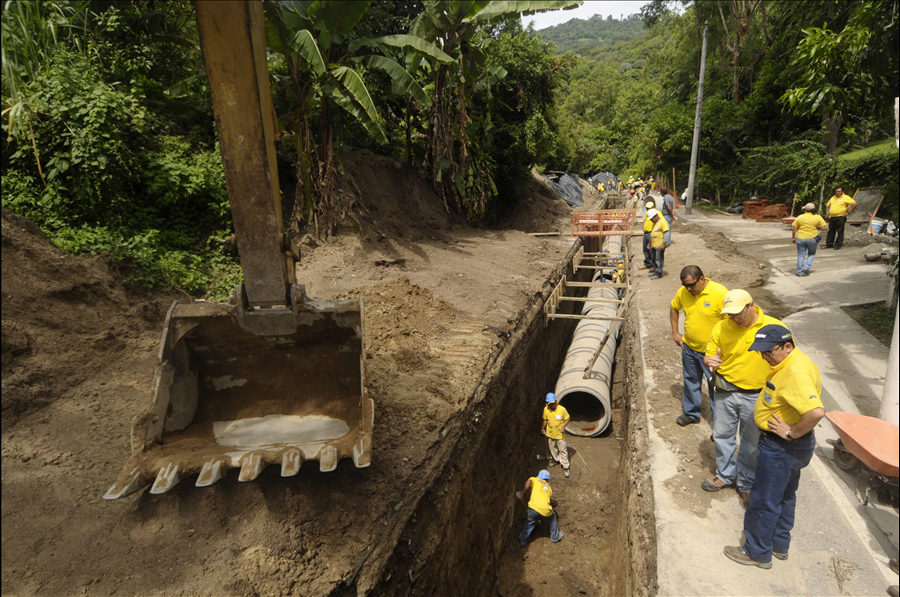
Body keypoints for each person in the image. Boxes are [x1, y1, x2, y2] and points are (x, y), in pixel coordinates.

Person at [724, 324, 825, 568]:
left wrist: (791, 432)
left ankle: (756, 552)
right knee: (785, 495)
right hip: (791, 448)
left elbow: (816, 412)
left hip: (782, 447)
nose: (764, 357)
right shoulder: (790, 363)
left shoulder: (795, 372)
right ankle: (780, 544)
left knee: (764, 498)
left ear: (787, 346)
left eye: (768, 352)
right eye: (761, 353)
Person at [703, 290, 784, 504]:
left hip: (757, 395)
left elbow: (788, 360)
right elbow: (709, 354)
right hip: (726, 390)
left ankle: (746, 483)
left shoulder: (773, 327)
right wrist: (710, 361)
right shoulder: (721, 326)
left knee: (750, 444)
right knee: (722, 435)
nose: (735, 318)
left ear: (751, 306)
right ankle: (725, 475)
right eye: (730, 314)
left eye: (739, 313)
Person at [670, 266, 728, 426]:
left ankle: (719, 426)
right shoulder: (683, 293)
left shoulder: (720, 293)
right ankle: (691, 413)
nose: (688, 289)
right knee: (690, 380)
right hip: (689, 348)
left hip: (711, 354)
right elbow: (674, 308)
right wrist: (675, 332)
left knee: (715, 388)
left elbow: (731, 324)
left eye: (692, 285)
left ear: (701, 279)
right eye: (685, 286)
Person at [519, 470, 564, 546]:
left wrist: (521, 492)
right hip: (546, 510)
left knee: (529, 523)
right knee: (552, 518)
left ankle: (523, 540)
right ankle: (555, 537)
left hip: (533, 508)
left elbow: (529, 482)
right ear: (547, 480)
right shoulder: (549, 488)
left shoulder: (534, 479)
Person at [791, 203, 827, 276]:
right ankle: (807, 267)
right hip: (812, 238)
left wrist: (793, 238)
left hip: (800, 238)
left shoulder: (800, 217)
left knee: (801, 255)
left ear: (806, 210)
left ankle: (799, 272)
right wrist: (815, 227)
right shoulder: (818, 217)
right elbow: (823, 228)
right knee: (811, 253)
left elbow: (794, 229)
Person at [542, 393, 570, 478]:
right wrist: (542, 428)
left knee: (563, 449)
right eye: (550, 404)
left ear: (556, 402)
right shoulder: (546, 409)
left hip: (560, 434)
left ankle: (565, 466)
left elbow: (568, 418)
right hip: (550, 433)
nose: (552, 405)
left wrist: (563, 427)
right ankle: (555, 459)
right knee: (552, 448)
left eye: (553, 403)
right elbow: (545, 420)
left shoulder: (562, 409)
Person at [647, 210, 669, 280]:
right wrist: (649, 243)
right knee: (653, 259)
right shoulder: (655, 223)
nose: (651, 220)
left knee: (658, 259)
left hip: (659, 245)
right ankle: (655, 271)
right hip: (653, 244)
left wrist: (663, 244)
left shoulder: (663, 222)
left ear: (656, 216)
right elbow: (652, 233)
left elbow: (666, 234)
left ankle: (658, 273)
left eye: (651, 219)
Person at [639, 200, 657, 270]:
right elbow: (644, 220)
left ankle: (652, 265)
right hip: (646, 233)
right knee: (645, 250)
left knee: (651, 250)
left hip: (651, 233)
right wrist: (643, 228)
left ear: (653, 207)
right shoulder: (647, 213)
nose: (647, 209)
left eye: (649, 208)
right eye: (647, 208)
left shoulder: (656, 213)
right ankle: (647, 264)